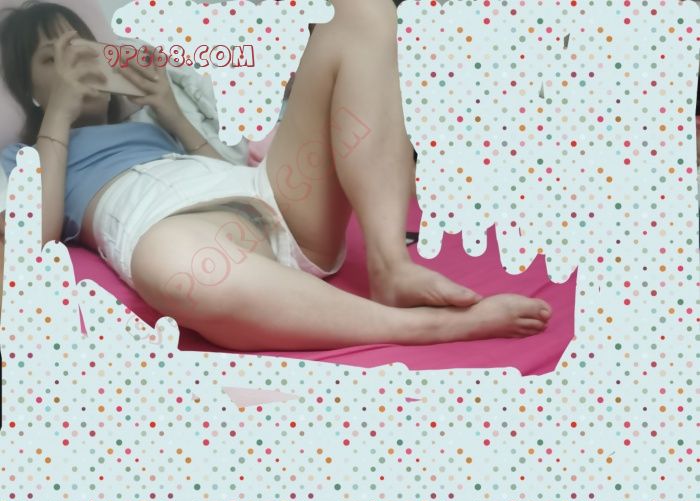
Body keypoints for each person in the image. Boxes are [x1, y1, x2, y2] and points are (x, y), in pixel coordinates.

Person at [0, 0, 552, 351]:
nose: (74, 63)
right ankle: (428, 329)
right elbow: (33, 243)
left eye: (78, 47)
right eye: (51, 60)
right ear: (31, 90)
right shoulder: (23, 156)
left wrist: (169, 110)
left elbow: (227, 171)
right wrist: (61, 116)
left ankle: (391, 264)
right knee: (177, 264)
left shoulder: (148, 123)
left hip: (267, 196)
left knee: (359, 11)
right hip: (174, 232)